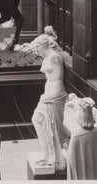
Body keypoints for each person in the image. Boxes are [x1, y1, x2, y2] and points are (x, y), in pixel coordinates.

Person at [31, 26, 67, 171]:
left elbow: (56, 78)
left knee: (48, 123)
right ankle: (47, 154)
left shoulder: (54, 57)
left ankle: (55, 159)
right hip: (49, 94)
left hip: (55, 95)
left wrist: (48, 95)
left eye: (37, 47)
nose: (36, 50)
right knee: (39, 120)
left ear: (44, 46)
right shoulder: (48, 57)